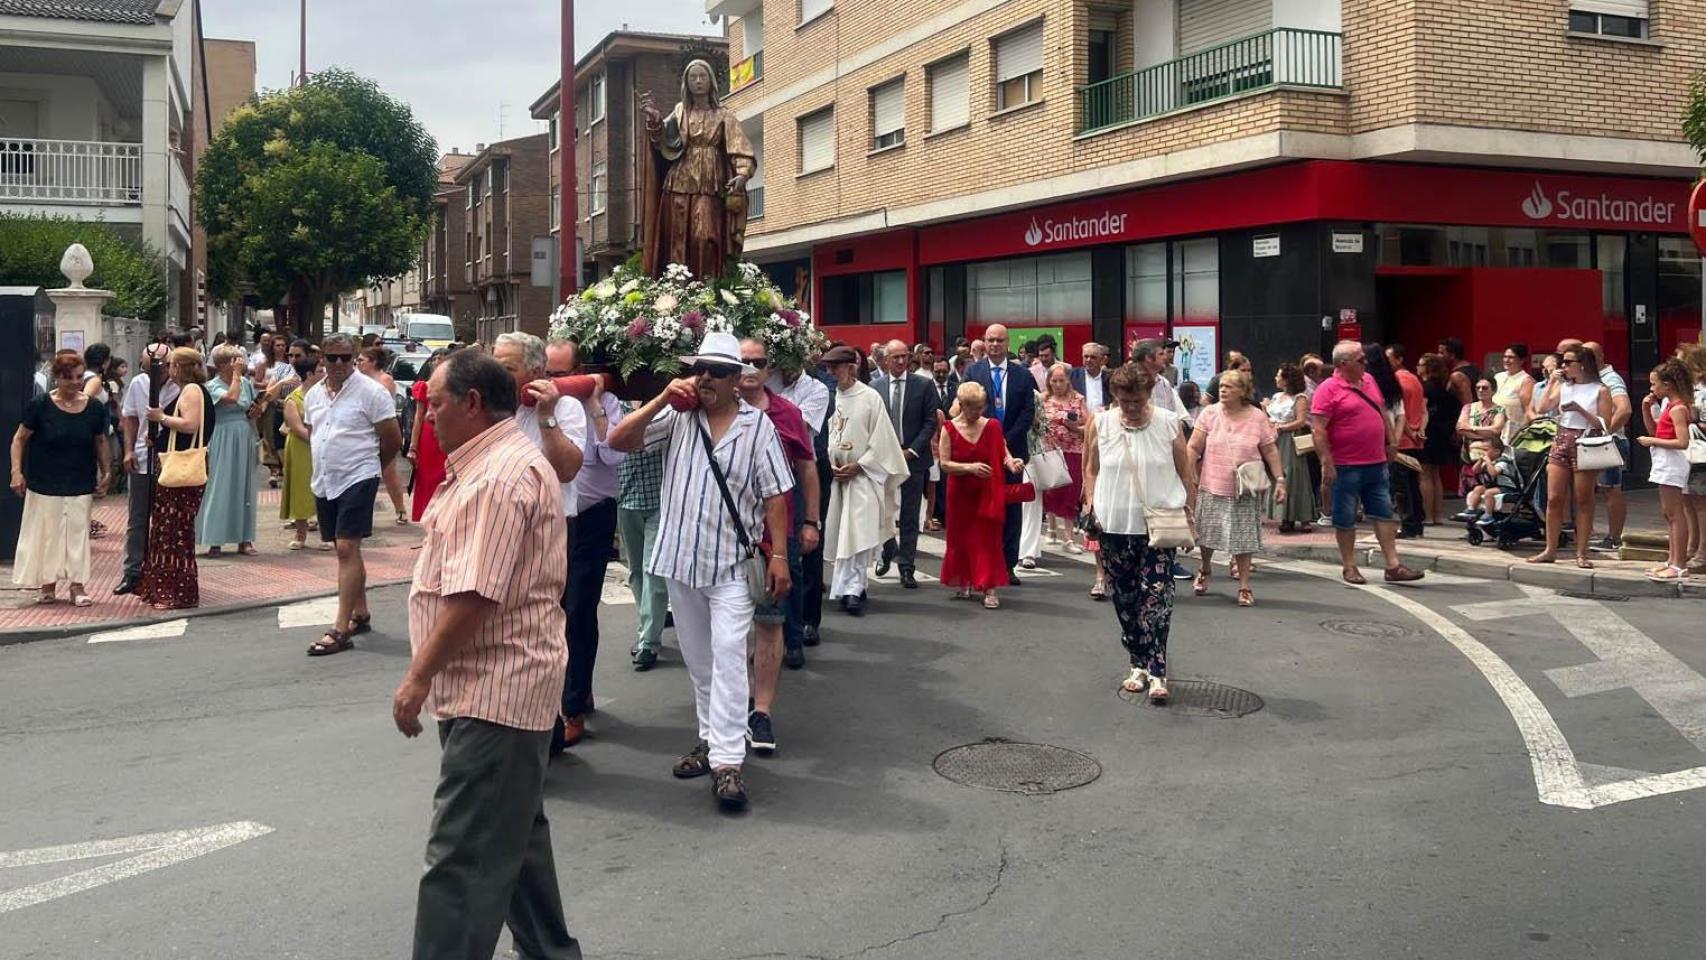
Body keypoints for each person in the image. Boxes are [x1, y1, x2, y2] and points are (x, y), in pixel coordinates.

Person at [391, 350, 582, 960]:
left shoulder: (499, 475)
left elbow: (474, 594)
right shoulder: (487, 464)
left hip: (496, 689)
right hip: (490, 686)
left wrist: (417, 677)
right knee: (514, 842)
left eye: (436, 405)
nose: (427, 419)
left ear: (472, 404)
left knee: (462, 860)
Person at [606, 331, 794, 811]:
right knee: (699, 659)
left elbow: (776, 495)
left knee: (730, 653)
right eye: (700, 368)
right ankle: (711, 740)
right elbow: (619, 441)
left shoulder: (757, 427)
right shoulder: (677, 416)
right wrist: (663, 397)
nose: (705, 377)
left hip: (730, 560)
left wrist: (779, 555)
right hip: (678, 559)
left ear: (737, 380)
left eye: (717, 370)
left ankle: (729, 762)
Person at [490, 333, 587, 748]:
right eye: (495, 364)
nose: (497, 374)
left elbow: (566, 470)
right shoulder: (490, 409)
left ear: (535, 373)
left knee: (548, 629)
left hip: (552, 532)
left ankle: (555, 714)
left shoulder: (566, 408)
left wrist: (547, 416)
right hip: (500, 530)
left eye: (507, 368)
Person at [1083, 364, 1195, 703]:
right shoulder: (1100, 422)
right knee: (1126, 599)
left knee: (1157, 598)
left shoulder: (1167, 422)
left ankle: (1157, 669)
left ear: (1149, 395)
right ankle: (1137, 662)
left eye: (1137, 400)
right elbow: (1091, 469)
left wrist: (1190, 511)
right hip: (1113, 524)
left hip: (1157, 524)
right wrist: (1091, 504)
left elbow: (1184, 470)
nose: (1130, 407)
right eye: (1124, 400)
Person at [737, 336, 819, 749]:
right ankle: (734, 703)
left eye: (758, 361)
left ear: (769, 368)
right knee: (731, 630)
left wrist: (810, 522)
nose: (750, 369)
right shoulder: (713, 409)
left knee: (769, 622)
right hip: (729, 538)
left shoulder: (788, 413)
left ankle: (762, 710)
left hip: (775, 538)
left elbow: (807, 469)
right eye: (742, 361)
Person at [303, 332, 404, 655]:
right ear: (322, 359)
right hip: (326, 478)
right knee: (343, 548)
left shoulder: (372, 393)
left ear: (354, 357)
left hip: (358, 474)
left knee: (347, 547)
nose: (338, 364)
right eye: (331, 358)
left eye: (345, 357)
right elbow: (315, 432)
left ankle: (340, 627)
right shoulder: (313, 395)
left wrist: (373, 468)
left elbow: (392, 438)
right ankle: (360, 612)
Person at [1309, 341, 1425, 585]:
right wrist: (1326, 462)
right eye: (1360, 360)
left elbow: (1381, 409)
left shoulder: (1370, 381)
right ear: (1343, 364)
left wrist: (1392, 439)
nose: (1366, 363)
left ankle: (1393, 565)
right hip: (1346, 464)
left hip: (1376, 461)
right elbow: (1318, 430)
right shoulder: (1327, 389)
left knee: (1384, 513)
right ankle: (1349, 566)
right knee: (1345, 516)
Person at [10, 350, 110, 606]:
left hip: (79, 478)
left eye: (79, 377)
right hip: (45, 480)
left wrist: (107, 471)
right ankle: (48, 583)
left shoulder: (94, 407)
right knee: (47, 533)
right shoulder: (40, 405)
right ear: (57, 378)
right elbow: (20, 439)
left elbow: (100, 440)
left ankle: (77, 585)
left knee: (77, 533)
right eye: (70, 378)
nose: (76, 382)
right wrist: (16, 471)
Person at [822, 344, 908, 616]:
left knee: (858, 534)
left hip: (862, 477)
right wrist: (828, 461)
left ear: (851, 367)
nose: (832, 372)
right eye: (829, 367)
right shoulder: (827, 396)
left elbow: (883, 442)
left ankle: (854, 590)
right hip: (836, 478)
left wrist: (859, 465)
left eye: (836, 367)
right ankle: (844, 586)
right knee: (839, 533)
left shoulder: (870, 398)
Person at [1187, 369, 1282, 606]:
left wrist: (1280, 479)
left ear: (1243, 391)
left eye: (1229, 386)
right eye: (1221, 386)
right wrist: (1188, 475)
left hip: (1245, 487)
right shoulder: (1209, 413)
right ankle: (1205, 567)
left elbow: (1270, 449)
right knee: (1207, 535)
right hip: (1212, 483)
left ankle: (1245, 586)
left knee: (1243, 539)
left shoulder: (1257, 417)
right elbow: (1193, 447)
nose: (1223, 390)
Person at [138, 348, 215, 610]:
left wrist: (161, 417)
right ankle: (168, 588)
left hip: (182, 468)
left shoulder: (192, 391)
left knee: (173, 529)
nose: (167, 370)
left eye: (171, 365)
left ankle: (175, 591)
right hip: (182, 463)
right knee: (171, 528)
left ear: (179, 367)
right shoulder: (195, 390)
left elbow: (190, 425)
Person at [938, 382, 1024, 608]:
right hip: (960, 493)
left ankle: (989, 587)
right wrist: (969, 468)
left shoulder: (992, 426)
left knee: (988, 540)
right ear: (962, 405)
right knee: (960, 538)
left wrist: (1011, 462)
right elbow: (944, 464)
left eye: (981, 407)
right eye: (973, 408)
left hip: (988, 492)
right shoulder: (949, 428)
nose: (978, 412)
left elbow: (1003, 451)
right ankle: (964, 581)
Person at [1526, 344, 1612, 568]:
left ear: (1582, 364)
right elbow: (1542, 406)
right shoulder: (1564, 386)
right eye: (1563, 362)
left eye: (1568, 362)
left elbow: (1605, 424)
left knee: (1583, 498)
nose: (1563, 366)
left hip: (1586, 439)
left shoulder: (1599, 389)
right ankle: (1550, 549)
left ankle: (1582, 552)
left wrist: (1581, 410)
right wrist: (1553, 382)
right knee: (1554, 498)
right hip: (1563, 437)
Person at [965, 324, 1036, 584]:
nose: (994, 345)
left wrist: (1005, 439)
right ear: (984, 342)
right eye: (990, 340)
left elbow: (1029, 411)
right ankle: (981, 563)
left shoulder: (1022, 374)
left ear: (1008, 343)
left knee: (1011, 509)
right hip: (979, 453)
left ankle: (1008, 565)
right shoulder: (973, 371)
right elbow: (965, 410)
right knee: (980, 510)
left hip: (1013, 452)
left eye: (999, 341)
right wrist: (987, 438)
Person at [872, 339, 938, 588]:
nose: (900, 361)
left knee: (910, 515)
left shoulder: (923, 385)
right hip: (884, 459)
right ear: (885, 359)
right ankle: (887, 549)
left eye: (904, 357)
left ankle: (907, 566)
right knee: (882, 511)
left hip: (914, 458)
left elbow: (930, 422)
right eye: (895, 357)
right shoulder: (874, 387)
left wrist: (912, 450)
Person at [114, 343, 174, 596]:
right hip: (142, 456)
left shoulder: (182, 386)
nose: (152, 374)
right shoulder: (138, 384)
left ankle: (163, 570)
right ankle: (133, 571)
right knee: (137, 517)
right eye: (148, 368)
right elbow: (130, 418)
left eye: (157, 369)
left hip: (171, 460)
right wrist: (128, 450)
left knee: (167, 519)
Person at [194, 344, 260, 557]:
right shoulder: (212, 386)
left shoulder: (246, 384)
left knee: (244, 486)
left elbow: (248, 407)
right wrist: (237, 376)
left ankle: (245, 538)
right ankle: (215, 539)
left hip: (243, 434)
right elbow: (231, 398)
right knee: (220, 484)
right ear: (223, 364)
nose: (240, 366)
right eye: (235, 361)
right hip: (222, 435)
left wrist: (256, 412)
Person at [616, 406, 669, 671]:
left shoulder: (665, 409)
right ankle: (647, 623)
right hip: (626, 499)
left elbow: (639, 442)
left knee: (653, 572)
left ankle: (649, 641)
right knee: (636, 571)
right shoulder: (616, 405)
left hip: (660, 502)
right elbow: (609, 442)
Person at [1638, 359, 1695, 583]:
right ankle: (1672, 560)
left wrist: (1651, 440)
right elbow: (1656, 430)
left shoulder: (1678, 408)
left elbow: (1683, 442)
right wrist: (1645, 408)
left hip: (1672, 461)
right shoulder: (1668, 407)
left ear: (1668, 385)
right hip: (1664, 460)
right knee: (1668, 513)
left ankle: (1679, 563)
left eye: (1655, 384)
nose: (1652, 389)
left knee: (1675, 513)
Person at [1580, 340, 1632, 554]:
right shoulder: (1588, 380)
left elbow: (1625, 409)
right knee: (1592, 489)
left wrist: (1605, 432)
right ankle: (1588, 532)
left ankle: (1614, 538)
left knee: (1611, 490)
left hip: (1608, 442)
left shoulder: (1610, 379)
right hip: (1590, 441)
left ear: (1601, 357)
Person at [356, 346, 410, 525]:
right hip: (365, 430)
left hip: (383, 428)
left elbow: (382, 404)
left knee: (388, 470)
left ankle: (400, 509)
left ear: (373, 362)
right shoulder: (358, 379)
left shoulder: (384, 379)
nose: (358, 363)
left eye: (362, 360)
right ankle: (362, 513)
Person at [1040, 362, 1088, 550]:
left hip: (1073, 450)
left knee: (1071, 491)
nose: (1058, 384)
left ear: (1068, 380)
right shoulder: (1044, 399)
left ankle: (1068, 538)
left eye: (1061, 380)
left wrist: (1074, 427)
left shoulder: (1078, 399)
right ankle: (1051, 527)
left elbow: (1088, 424)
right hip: (1050, 450)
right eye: (1054, 380)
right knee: (1052, 490)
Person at [280, 351, 324, 550]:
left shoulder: (326, 395)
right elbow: (297, 428)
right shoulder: (293, 398)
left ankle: (326, 534)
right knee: (300, 488)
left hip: (322, 446)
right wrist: (317, 441)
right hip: (301, 447)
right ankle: (300, 533)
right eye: (320, 371)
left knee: (324, 490)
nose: (324, 373)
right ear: (309, 374)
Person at [1385, 343, 1427, 538]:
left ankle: (1408, 524)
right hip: (1415, 440)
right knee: (1412, 484)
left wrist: (1409, 433)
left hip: (1402, 440)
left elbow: (1400, 414)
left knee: (1401, 486)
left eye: (1389, 358)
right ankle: (1416, 523)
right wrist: (1419, 432)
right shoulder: (1415, 380)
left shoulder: (1397, 381)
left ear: (1399, 359)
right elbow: (1422, 410)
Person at [1268, 363, 1316, 533]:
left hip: (1290, 439)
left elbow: (1301, 421)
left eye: (1278, 375)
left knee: (1293, 474)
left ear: (1286, 379)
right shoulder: (1275, 396)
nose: (1276, 378)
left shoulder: (1300, 398)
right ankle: (1283, 516)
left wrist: (1281, 427)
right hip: (1274, 439)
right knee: (1278, 474)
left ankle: (1299, 516)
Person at [1415, 353, 1460, 525]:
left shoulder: (1425, 388)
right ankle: (1437, 514)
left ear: (1428, 368)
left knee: (1425, 474)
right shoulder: (1444, 388)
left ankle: (1427, 515)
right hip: (1442, 433)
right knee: (1436, 475)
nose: (1417, 367)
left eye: (1420, 364)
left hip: (1428, 432)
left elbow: (1422, 411)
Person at [1452, 377, 1507, 514]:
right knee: (1470, 493)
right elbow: (1460, 428)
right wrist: (1484, 433)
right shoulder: (1468, 408)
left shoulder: (1499, 410)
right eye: (1478, 387)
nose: (1481, 390)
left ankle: (1486, 519)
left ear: (1493, 390)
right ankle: (1471, 525)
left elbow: (1496, 430)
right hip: (1468, 457)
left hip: (1488, 458)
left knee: (1485, 490)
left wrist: (1472, 429)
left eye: (1485, 388)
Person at [1675, 342, 1706, 574]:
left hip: (1701, 452)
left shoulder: (1702, 392)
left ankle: (1702, 551)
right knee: (1688, 501)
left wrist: (1692, 422)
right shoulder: (1690, 391)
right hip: (1689, 454)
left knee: (1700, 503)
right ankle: (1693, 545)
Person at [408, 355, 449, 521]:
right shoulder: (424, 387)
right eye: (436, 359)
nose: (437, 362)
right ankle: (428, 517)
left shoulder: (456, 387)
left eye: (442, 359)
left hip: (447, 433)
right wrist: (413, 446)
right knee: (427, 479)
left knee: (445, 477)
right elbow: (418, 417)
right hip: (428, 437)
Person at [1459, 435, 1508, 523]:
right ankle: (1471, 509)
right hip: (1491, 485)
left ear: (1496, 451)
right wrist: (1480, 461)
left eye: (1485, 450)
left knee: (1488, 493)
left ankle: (1488, 514)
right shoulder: (1485, 461)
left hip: (1504, 486)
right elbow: (1475, 470)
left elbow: (1493, 473)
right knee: (1478, 488)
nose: (1483, 452)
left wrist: (1488, 461)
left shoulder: (1502, 462)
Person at [1493, 344, 1535, 443]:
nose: (1506, 360)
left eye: (1511, 357)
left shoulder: (1526, 381)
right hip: (1493, 429)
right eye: (1505, 357)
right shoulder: (1498, 377)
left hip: (1512, 432)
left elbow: (1529, 411)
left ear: (1522, 360)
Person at [1071, 342, 1111, 414]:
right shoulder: (1073, 376)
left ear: (1101, 360)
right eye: (1086, 356)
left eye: (1093, 357)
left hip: (1103, 420)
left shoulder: (1109, 378)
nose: (1088, 360)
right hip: (1081, 421)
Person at [1437, 337, 1478, 408]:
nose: (1438, 356)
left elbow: (1468, 404)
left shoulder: (1457, 376)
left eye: (1441, 353)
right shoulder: (1472, 367)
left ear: (1452, 355)